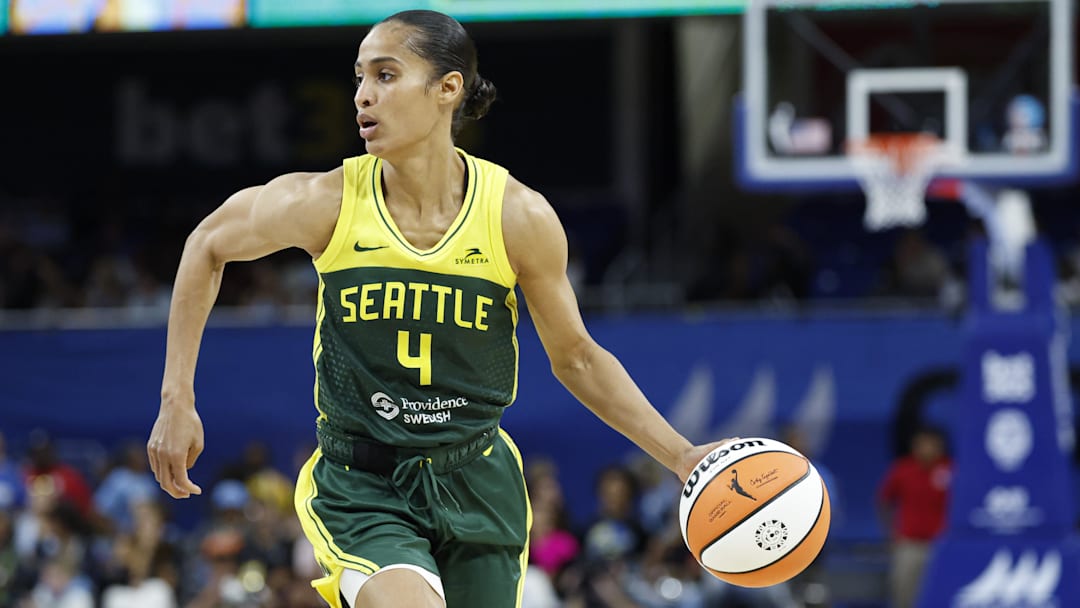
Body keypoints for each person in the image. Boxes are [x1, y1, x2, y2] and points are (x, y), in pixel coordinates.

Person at [146, 10, 730, 608]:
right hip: (361, 483)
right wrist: (176, 398)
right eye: (359, 77)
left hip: (477, 480)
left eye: (385, 75)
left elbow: (577, 358)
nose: (363, 95)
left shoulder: (516, 216)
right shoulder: (325, 202)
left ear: (448, 87)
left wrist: (681, 455)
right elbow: (207, 244)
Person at [877, 426, 952, 608]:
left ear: (939, 446)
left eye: (930, 444)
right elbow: (884, 501)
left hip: (940, 545)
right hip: (909, 544)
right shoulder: (903, 469)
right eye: (920, 444)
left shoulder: (950, 470)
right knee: (903, 592)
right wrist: (892, 532)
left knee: (943, 592)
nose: (925, 448)